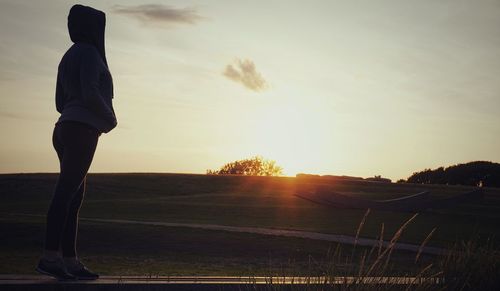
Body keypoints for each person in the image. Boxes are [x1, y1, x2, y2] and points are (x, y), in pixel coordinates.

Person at [36, 4, 117, 280]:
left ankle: (69, 261)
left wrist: (76, 112)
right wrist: (109, 118)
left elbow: (60, 101)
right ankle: (50, 256)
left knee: (73, 196)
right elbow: (90, 91)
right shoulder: (92, 54)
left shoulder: (68, 55)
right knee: (66, 193)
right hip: (82, 129)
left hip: (63, 127)